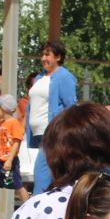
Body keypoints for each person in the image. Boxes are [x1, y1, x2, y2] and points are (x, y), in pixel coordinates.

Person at [28, 40, 78, 193]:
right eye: (42, 54)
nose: (43, 58)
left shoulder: (64, 77)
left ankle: (36, 210)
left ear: (58, 57)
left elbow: (71, 106)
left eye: (47, 54)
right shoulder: (39, 77)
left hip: (54, 132)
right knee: (53, 173)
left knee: (41, 172)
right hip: (40, 134)